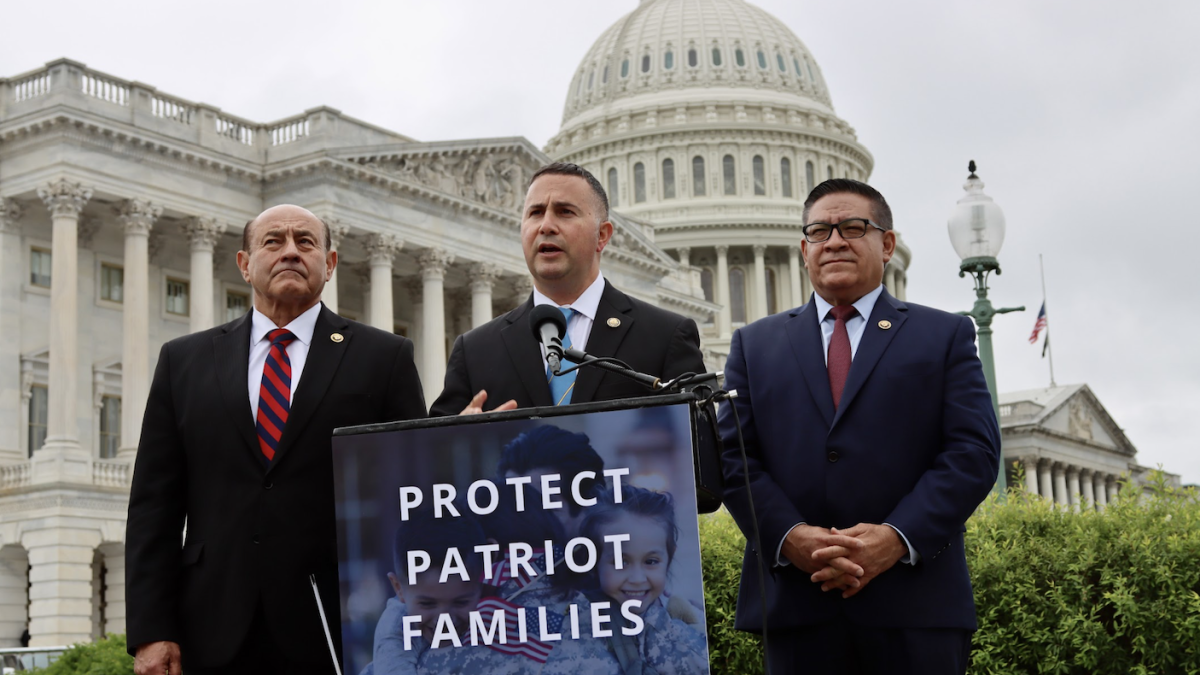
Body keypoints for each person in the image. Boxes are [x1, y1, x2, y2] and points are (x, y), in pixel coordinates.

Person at [125, 205, 427, 675]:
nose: (290, 251)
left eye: (305, 242)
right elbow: (153, 507)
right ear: (245, 264)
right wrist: (150, 629)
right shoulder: (183, 361)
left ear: (329, 265)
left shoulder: (383, 358)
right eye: (273, 241)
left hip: (338, 624)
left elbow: (412, 490)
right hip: (211, 623)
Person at [717, 179, 1001, 674]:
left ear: (886, 244)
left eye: (853, 227)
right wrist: (790, 537)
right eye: (819, 231)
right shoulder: (754, 346)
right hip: (798, 610)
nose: (834, 241)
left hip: (916, 607)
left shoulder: (943, 336)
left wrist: (895, 537)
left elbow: (972, 453)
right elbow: (733, 458)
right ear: (804, 249)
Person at [430, 162, 705, 417]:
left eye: (565, 212)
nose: (546, 226)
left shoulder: (665, 336)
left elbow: (699, 450)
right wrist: (456, 438)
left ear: (602, 235)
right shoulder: (475, 350)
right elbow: (427, 459)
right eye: (535, 213)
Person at [578, 486, 708, 675]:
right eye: (621, 562)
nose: (637, 579)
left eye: (651, 561)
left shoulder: (691, 629)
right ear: (592, 561)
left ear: (669, 558)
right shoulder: (575, 631)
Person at [369, 506, 489, 675]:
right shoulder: (396, 630)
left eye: (461, 602)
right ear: (398, 588)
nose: (445, 620)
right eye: (427, 604)